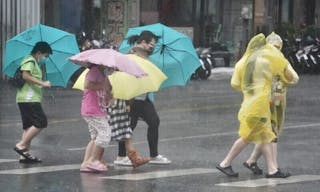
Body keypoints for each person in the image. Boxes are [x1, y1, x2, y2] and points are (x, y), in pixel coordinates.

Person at [216, 33, 296, 178]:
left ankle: (272, 170)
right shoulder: (266, 61)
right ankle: (225, 163)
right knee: (247, 137)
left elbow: (234, 83)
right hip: (259, 105)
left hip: (249, 103)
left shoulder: (242, 62)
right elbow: (290, 76)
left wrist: (249, 89)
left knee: (266, 136)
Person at [243, 32, 299, 175]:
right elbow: (295, 78)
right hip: (275, 98)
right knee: (271, 131)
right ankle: (273, 168)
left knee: (265, 132)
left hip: (259, 98)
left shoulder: (257, 58)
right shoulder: (280, 60)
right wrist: (283, 79)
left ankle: (252, 161)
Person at [114, 31, 171, 166]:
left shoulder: (148, 58)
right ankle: (121, 157)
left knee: (154, 121)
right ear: (143, 42)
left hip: (144, 98)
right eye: (151, 44)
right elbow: (120, 72)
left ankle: (154, 155)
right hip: (131, 98)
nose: (153, 47)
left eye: (154, 45)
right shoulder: (130, 55)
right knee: (128, 127)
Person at [80, 65, 149, 172]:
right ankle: (94, 160)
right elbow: (87, 85)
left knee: (95, 137)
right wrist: (103, 85)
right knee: (105, 133)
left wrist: (109, 95)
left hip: (97, 109)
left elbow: (107, 90)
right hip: (92, 110)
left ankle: (86, 162)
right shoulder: (94, 71)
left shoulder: (102, 73)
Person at [13, 41, 52, 163]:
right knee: (41, 122)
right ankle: (21, 145)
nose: (45, 58)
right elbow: (25, 76)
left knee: (28, 126)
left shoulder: (34, 62)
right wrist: (43, 83)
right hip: (29, 99)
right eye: (45, 55)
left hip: (25, 98)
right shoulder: (30, 60)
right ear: (39, 53)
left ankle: (24, 155)